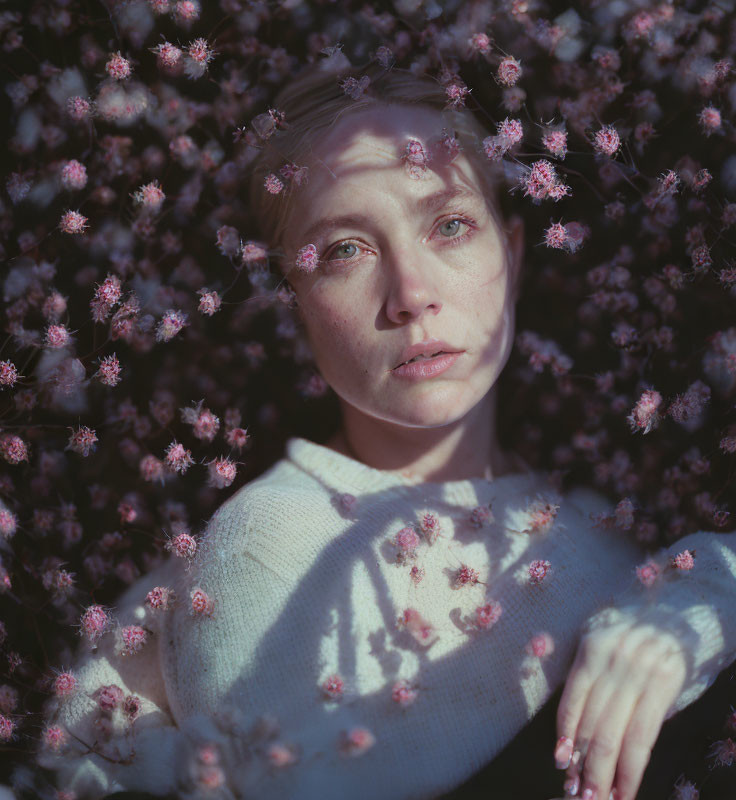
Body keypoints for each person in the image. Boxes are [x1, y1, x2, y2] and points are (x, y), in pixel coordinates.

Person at [35, 63, 736, 800]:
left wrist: (713, 589)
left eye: (451, 225)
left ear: (515, 252)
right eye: (345, 250)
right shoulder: (271, 545)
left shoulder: (606, 532)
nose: (411, 294)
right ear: (295, 301)